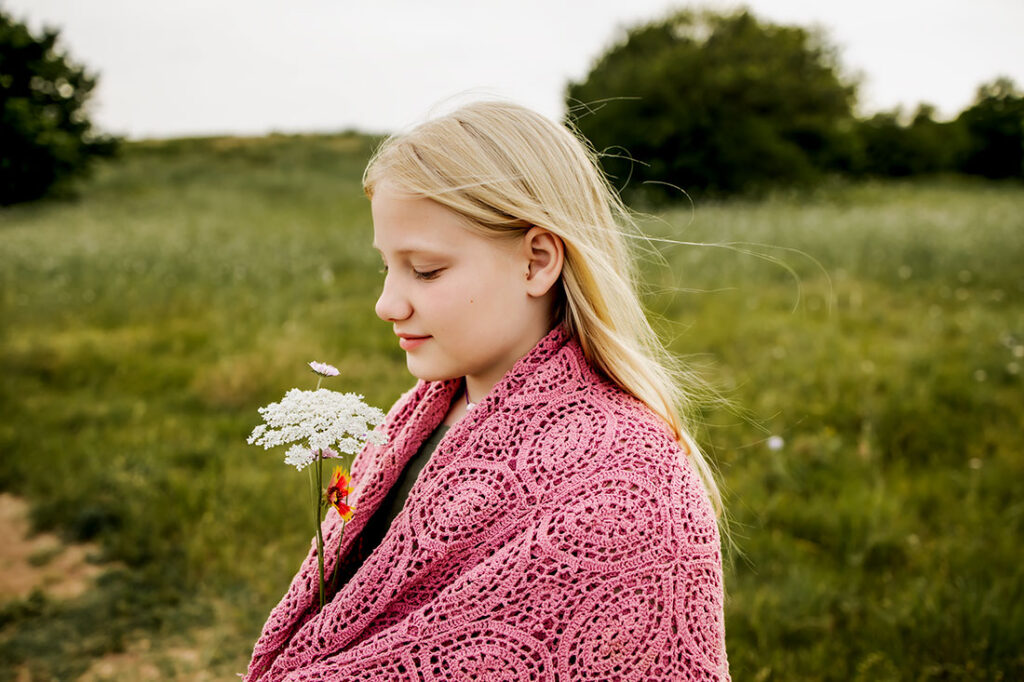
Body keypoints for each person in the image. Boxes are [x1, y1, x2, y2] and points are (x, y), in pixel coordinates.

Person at [244, 100, 730, 681]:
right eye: (386, 267)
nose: (387, 304)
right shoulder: (413, 417)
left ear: (537, 262)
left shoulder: (628, 481)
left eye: (424, 270)